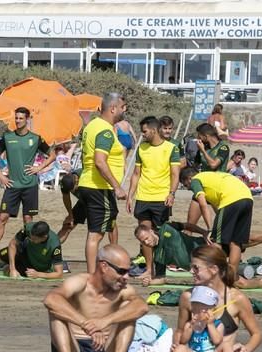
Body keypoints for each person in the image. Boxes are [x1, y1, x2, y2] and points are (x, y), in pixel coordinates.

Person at [43, 244, 148, 352]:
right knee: (56, 311)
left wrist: (104, 322)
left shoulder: (123, 290)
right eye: (121, 271)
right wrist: (85, 323)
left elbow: (142, 307)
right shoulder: (80, 283)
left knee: (128, 310)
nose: (126, 277)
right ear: (104, 266)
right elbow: (50, 300)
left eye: (128, 272)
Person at [166, 245, 262, 352]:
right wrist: (176, 344)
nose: (191, 272)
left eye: (196, 268)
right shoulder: (188, 297)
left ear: (214, 269)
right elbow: (179, 330)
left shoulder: (236, 299)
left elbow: (256, 334)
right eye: (191, 267)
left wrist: (245, 349)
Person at [134, 221, 262, 289]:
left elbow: (187, 225)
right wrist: (151, 282)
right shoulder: (158, 256)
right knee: (239, 284)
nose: (147, 242)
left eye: (146, 238)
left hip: (211, 245)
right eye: (143, 242)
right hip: (210, 266)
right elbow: (162, 278)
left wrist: (204, 232)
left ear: (150, 231)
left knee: (254, 239)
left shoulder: (166, 228)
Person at [0, 107, 54, 264]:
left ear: (27, 119)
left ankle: (28, 255)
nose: (17, 121)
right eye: (16, 118)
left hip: (30, 185)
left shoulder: (36, 138)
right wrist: (1, 176)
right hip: (12, 185)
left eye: (21, 118)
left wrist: (38, 168)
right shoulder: (7, 137)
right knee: (2, 217)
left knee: (28, 220)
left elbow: (52, 155)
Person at [127, 116, 180, 285]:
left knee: (160, 236)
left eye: (144, 131)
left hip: (161, 199)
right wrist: (130, 196)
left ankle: (161, 272)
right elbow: (136, 174)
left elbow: (175, 174)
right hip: (143, 198)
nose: (142, 135)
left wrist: (172, 193)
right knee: (145, 236)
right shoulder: (142, 148)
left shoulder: (171, 148)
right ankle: (149, 270)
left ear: (154, 130)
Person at [78, 93, 127, 275]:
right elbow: (100, 161)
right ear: (112, 108)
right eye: (122, 107)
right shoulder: (105, 131)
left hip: (89, 184)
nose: (124, 110)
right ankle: (92, 276)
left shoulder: (92, 126)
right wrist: (117, 186)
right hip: (99, 187)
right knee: (96, 234)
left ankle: (101, 270)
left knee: (99, 230)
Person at [180, 167, 253, 286]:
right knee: (236, 242)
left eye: (186, 186)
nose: (189, 189)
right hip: (247, 197)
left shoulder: (196, 180)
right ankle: (231, 278)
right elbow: (217, 209)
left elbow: (203, 204)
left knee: (216, 241)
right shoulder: (212, 177)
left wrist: (210, 229)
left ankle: (212, 277)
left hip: (230, 199)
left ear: (188, 178)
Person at [166, 286, 225, 352]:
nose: (199, 310)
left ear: (213, 309)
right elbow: (183, 341)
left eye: (204, 307)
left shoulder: (218, 325)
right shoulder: (190, 324)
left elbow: (217, 341)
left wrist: (210, 324)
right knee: (181, 349)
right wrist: (190, 327)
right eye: (196, 306)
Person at [0, 221, 64, 279]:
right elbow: (12, 244)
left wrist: (38, 274)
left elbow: (59, 274)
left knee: (7, 272)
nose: (31, 239)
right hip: (23, 251)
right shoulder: (29, 228)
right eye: (30, 237)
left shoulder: (54, 244)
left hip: (35, 267)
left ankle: (7, 267)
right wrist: (13, 268)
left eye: (34, 239)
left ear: (44, 237)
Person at [57, 170, 116, 245]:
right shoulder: (66, 182)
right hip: (84, 201)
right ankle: (51, 250)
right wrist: (70, 215)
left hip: (100, 200)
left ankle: (114, 249)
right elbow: (66, 197)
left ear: (77, 181)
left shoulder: (86, 177)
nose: (72, 192)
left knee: (110, 225)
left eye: (73, 190)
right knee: (67, 226)